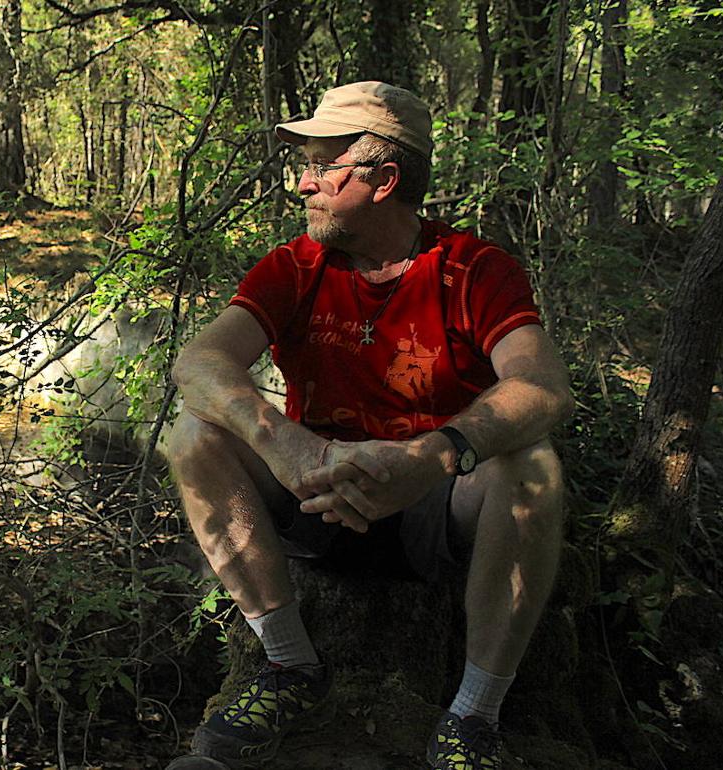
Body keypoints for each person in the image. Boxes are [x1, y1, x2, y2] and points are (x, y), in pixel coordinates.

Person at [167, 81, 573, 769]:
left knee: (533, 466)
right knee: (192, 434)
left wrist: (432, 455)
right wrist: (287, 444)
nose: (303, 183)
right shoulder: (296, 266)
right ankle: (291, 666)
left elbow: (544, 389)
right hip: (315, 495)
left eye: (322, 165)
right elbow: (199, 363)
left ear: (384, 180)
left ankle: (474, 716)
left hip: (431, 509)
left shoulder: (475, 270)